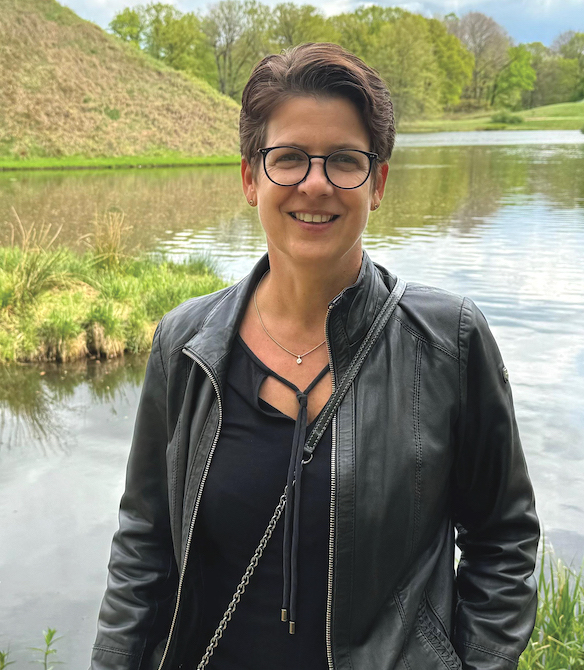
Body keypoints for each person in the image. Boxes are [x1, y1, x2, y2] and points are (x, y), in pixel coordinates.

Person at [91, 43, 539, 670]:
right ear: (250, 178)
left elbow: (503, 540)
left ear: (378, 183)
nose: (316, 183)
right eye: (289, 158)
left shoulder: (449, 342)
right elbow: (145, 545)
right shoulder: (186, 344)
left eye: (345, 160)